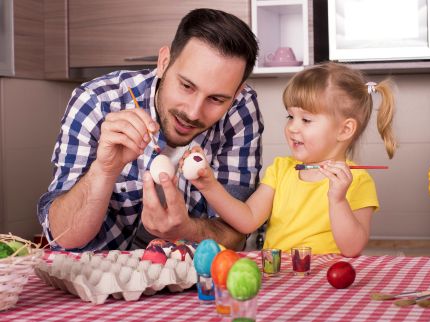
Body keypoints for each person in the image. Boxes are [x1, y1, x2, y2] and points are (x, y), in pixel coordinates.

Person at [37, 8, 263, 252]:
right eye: (186, 86)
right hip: (95, 278)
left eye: (216, 99)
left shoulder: (240, 109)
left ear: (236, 93)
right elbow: (63, 237)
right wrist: (104, 170)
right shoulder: (98, 101)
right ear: (164, 62)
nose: (194, 112)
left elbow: (237, 231)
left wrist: (186, 230)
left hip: (190, 281)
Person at [183, 62, 396, 256]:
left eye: (306, 119)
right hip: (280, 278)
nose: (293, 127)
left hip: (327, 282)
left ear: (344, 129)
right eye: (290, 116)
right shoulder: (281, 169)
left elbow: (352, 248)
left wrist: (338, 200)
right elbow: (247, 220)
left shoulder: (358, 180)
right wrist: (208, 185)